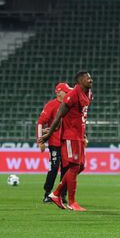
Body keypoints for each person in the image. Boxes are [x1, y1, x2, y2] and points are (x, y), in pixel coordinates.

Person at [39, 72, 93, 212]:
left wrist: (84, 135)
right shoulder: (72, 95)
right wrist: (49, 134)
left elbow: (80, 117)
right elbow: (59, 116)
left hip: (79, 136)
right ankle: (71, 201)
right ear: (80, 81)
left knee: (80, 167)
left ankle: (56, 194)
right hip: (70, 136)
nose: (91, 80)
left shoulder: (88, 94)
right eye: (88, 78)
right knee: (73, 167)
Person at [37, 82, 72, 203]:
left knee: (66, 169)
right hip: (55, 143)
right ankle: (47, 194)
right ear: (58, 92)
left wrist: (83, 136)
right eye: (66, 91)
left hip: (67, 142)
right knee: (54, 167)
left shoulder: (69, 105)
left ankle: (62, 195)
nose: (68, 93)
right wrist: (40, 140)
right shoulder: (51, 105)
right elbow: (41, 122)